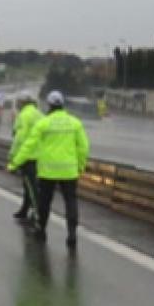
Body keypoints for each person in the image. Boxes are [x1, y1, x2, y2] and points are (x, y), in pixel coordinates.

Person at [8, 91, 90, 247]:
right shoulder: (75, 123)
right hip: (69, 171)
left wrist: (14, 163)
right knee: (71, 202)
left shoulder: (43, 124)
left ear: (49, 105)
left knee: (45, 202)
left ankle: (41, 229)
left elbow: (27, 146)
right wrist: (80, 165)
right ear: (63, 104)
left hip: (48, 171)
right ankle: (72, 234)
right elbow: (84, 147)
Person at [8, 92, 43, 223]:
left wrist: (12, 156)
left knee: (30, 185)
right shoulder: (39, 114)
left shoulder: (23, 116)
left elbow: (19, 138)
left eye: (18, 102)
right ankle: (25, 209)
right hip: (41, 156)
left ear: (22, 103)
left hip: (28, 156)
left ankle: (37, 212)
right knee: (30, 184)